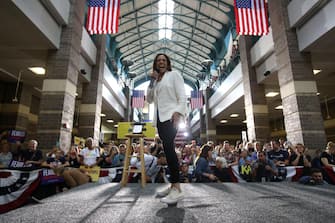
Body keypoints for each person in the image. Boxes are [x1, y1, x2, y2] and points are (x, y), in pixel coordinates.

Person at [147, 53, 187, 204]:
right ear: (155, 64)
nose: (161, 62)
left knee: (169, 150)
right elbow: (149, 99)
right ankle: (173, 186)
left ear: (168, 63)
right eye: (158, 61)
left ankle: (176, 188)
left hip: (171, 117)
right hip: (159, 119)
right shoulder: (156, 81)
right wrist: (152, 81)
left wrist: (178, 112)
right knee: (168, 149)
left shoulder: (174, 75)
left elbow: (182, 96)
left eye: (164, 60)